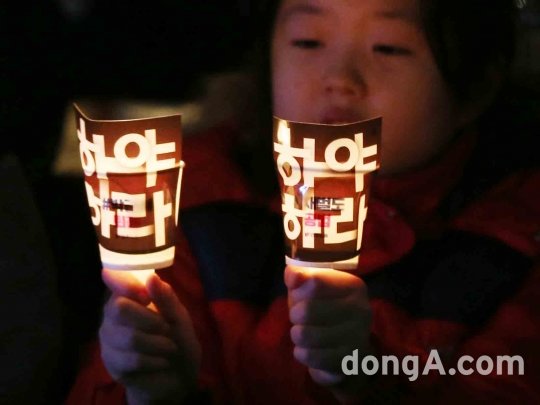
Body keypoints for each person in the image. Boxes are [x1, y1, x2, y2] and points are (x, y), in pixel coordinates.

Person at [67, 0, 540, 403]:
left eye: (389, 48)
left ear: (475, 87)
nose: (339, 78)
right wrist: (153, 390)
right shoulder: (193, 202)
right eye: (308, 42)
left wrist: (368, 381)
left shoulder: (516, 242)